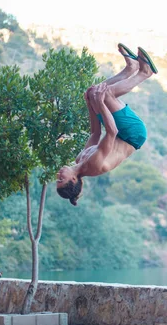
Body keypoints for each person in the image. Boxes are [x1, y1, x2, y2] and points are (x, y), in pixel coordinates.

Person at [56, 44, 158, 206]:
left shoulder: (80, 159)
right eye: (62, 179)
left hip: (119, 132)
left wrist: (90, 103)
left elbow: (95, 134)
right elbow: (111, 132)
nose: (58, 175)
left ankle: (130, 68)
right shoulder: (93, 165)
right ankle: (145, 72)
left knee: (92, 93)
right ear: (74, 180)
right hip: (132, 135)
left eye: (58, 179)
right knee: (105, 94)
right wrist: (101, 104)